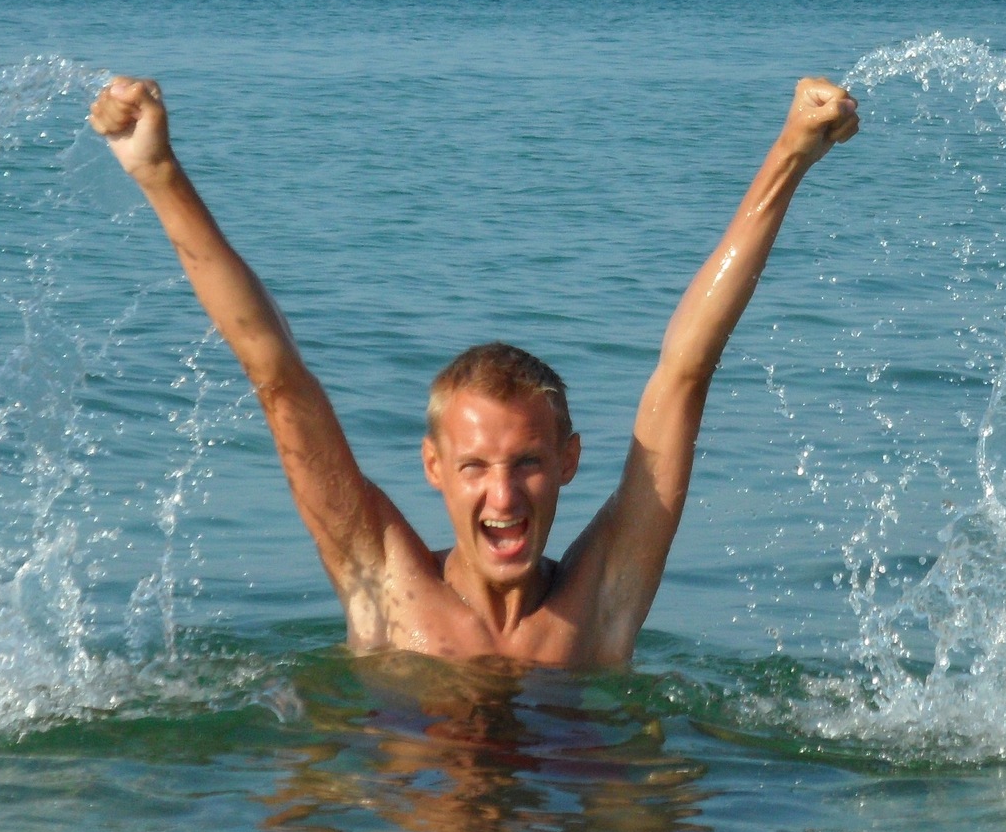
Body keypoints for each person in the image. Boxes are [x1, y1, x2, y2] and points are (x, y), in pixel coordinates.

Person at [88, 74, 861, 667]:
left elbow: (685, 369)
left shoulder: (601, 602)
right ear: (434, 467)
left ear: (568, 461)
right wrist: (159, 174)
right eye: (475, 466)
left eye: (528, 463)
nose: (503, 495)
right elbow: (277, 375)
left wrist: (790, 155)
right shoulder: (389, 587)